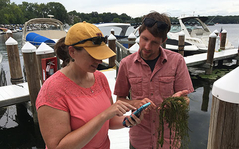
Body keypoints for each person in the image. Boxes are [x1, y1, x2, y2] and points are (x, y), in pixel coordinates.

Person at [36, 21, 143, 149]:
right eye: (93, 55)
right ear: (72, 52)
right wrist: (104, 115)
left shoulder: (99, 78)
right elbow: (57, 146)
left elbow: (109, 122)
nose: (99, 60)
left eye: (100, 55)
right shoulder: (52, 90)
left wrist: (129, 119)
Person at [114, 11, 194, 149]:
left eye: (154, 42)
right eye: (144, 39)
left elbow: (185, 99)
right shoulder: (126, 64)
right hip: (139, 139)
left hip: (170, 139)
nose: (147, 47)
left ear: (163, 41)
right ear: (139, 33)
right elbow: (120, 100)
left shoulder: (177, 61)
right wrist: (136, 103)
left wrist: (179, 102)